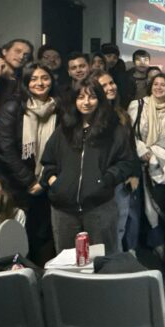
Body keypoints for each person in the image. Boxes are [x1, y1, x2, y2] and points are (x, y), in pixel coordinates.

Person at [39, 77, 138, 254]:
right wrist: (56, 182)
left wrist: (106, 180)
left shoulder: (113, 129)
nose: (86, 102)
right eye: (81, 97)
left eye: (92, 97)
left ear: (100, 99)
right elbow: (48, 162)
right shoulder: (64, 129)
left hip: (100, 206)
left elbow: (126, 162)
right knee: (67, 261)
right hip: (63, 209)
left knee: (102, 260)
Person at [0, 63, 61, 265]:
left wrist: (44, 180)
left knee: (43, 235)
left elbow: (63, 149)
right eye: (34, 79)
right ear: (25, 82)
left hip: (46, 183)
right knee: (15, 235)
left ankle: (41, 276)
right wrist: (30, 181)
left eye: (45, 78)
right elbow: (4, 148)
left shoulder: (60, 108)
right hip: (14, 183)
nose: (40, 83)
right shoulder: (12, 107)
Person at [128, 74, 165, 250]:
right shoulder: (138, 105)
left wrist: (155, 151)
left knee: (164, 203)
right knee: (147, 208)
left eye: (163, 85)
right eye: (156, 84)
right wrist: (142, 150)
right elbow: (129, 134)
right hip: (141, 163)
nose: (159, 88)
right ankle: (155, 246)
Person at [94, 70, 140, 252]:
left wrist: (134, 173)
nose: (110, 87)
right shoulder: (91, 115)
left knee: (120, 227)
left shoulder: (122, 115)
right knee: (102, 230)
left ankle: (118, 263)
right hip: (100, 181)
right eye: (104, 85)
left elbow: (131, 147)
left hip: (121, 180)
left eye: (111, 83)